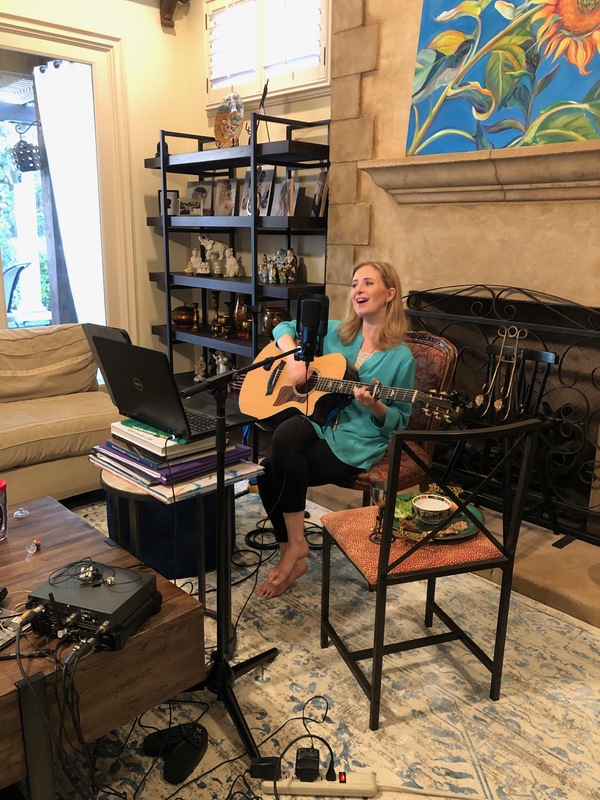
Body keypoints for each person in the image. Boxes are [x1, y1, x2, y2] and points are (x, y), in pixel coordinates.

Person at [255, 261, 416, 599]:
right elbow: (283, 326)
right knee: (280, 447)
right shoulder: (336, 331)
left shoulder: (401, 357)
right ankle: (294, 548)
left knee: (273, 466)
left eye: (367, 283)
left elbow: (400, 418)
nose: (357, 289)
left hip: (356, 440)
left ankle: (293, 553)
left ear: (389, 294)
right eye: (354, 282)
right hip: (318, 420)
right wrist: (295, 360)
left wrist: (374, 405)